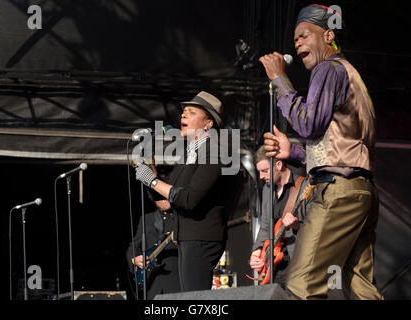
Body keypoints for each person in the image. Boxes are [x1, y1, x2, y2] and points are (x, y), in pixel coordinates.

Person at [259, 4, 383, 299]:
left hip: (338, 193)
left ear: (328, 36)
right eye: (295, 40)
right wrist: (294, 152)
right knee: (362, 287)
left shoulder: (329, 69)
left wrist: (279, 79)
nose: (298, 43)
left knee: (303, 284)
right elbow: (338, 144)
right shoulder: (351, 76)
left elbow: (309, 123)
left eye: (304, 35)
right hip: (360, 190)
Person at [134, 91, 229, 292]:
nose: (183, 116)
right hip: (187, 236)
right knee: (188, 295)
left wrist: (151, 181)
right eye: (183, 112)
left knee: (195, 298)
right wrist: (148, 165)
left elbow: (188, 198)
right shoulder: (190, 153)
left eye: (191, 112)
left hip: (202, 237)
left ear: (208, 124)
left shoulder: (215, 151)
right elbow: (169, 195)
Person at [249, 146, 310, 285]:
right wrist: (256, 253)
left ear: (279, 164)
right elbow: (265, 226)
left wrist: (296, 225)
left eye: (265, 171)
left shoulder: (303, 186)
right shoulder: (267, 189)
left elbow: (317, 228)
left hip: (298, 260)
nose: (261, 177)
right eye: (259, 172)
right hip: (274, 265)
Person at [126, 199, 180, 300]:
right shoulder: (147, 219)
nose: (165, 200)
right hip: (152, 283)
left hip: (176, 280)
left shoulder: (181, 218)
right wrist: (135, 259)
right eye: (160, 197)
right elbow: (133, 247)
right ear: (153, 199)